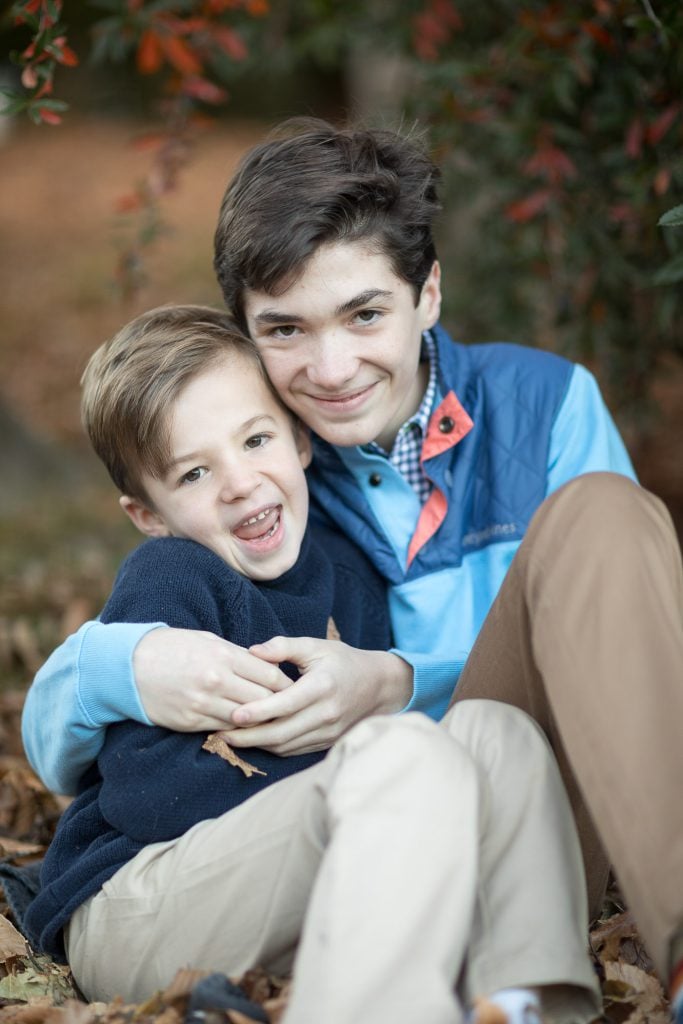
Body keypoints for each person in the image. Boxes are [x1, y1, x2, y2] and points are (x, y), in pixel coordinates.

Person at [21, 119, 683, 1018]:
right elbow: (96, 716)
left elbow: (627, 666)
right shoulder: (269, 484)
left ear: (429, 292)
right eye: (287, 329)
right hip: (352, 828)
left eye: (366, 314)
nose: (332, 370)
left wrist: (399, 683)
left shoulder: (547, 407)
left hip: (539, 810)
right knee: (424, 757)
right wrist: (126, 664)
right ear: (251, 337)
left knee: (599, 520)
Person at [23, 304, 600, 1024]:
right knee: (398, 751)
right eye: (196, 471)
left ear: (299, 440)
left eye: (255, 439)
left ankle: (527, 1002)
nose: (239, 483)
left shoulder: (345, 573)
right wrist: (347, 759)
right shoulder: (171, 577)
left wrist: (368, 737)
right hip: (138, 901)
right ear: (150, 514)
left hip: (276, 885)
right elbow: (146, 799)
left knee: (497, 730)